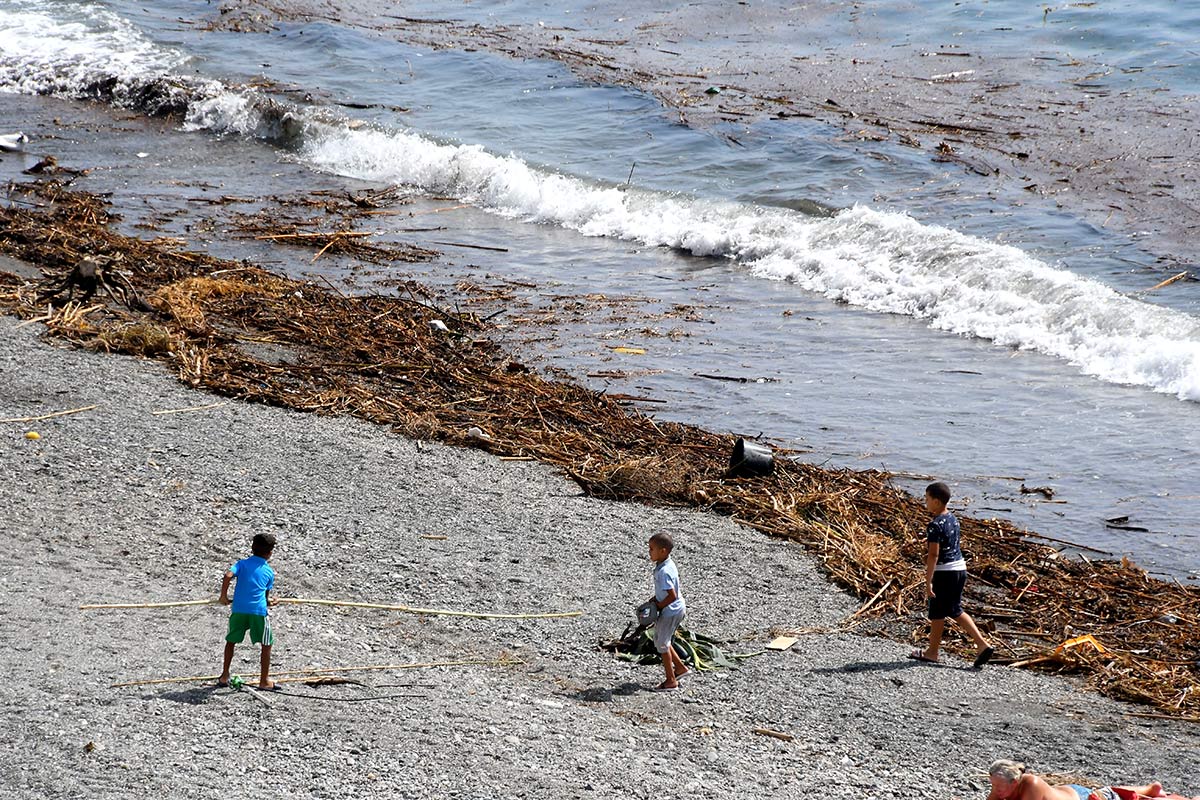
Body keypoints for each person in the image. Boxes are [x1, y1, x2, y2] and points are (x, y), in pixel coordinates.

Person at [908, 481, 994, 667]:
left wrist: (928, 580)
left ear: (937, 502)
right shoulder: (953, 519)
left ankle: (978, 645)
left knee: (946, 611)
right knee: (945, 611)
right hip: (959, 569)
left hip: (944, 573)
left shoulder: (934, 525)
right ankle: (936, 651)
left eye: (927, 498)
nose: (926, 502)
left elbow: (934, 555)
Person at [218, 533, 279, 690]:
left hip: (238, 610)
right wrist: (270, 602)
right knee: (266, 644)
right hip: (258, 612)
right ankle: (264, 681)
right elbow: (264, 598)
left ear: (252, 548)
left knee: (231, 641)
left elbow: (227, 575)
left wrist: (223, 596)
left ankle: (225, 676)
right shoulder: (268, 572)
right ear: (270, 552)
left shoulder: (242, 564)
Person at [985, 759, 1181, 800]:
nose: (997, 790)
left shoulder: (1031, 784)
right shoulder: (1003, 784)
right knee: (1108, 790)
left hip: (1082, 797)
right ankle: (1150, 789)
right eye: (994, 786)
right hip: (1068, 791)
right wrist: (995, 792)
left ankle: (1154, 792)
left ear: (1015, 782)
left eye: (1000, 787)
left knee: (1111, 795)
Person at [647, 532, 688, 691]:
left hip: (670, 611)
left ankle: (671, 681)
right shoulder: (667, 565)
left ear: (663, 551)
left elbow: (671, 595)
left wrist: (658, 606)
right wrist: (654, 599)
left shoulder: (663, 571)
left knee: (662, 645)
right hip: (675, 608)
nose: (649, 552)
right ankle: (680, 668)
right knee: (662, 640)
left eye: (651, 549)